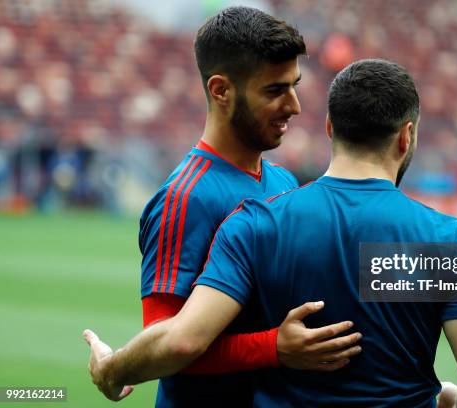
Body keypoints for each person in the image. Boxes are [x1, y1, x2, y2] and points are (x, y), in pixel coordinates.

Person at [85, 59, 457, 407]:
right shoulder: (445, 239)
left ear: (329, 128)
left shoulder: (253, 224)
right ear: (406, 135)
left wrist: (112, 369)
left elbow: (181, 339)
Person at [135, 6, 361, 407]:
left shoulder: (284, 182)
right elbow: (165, 349)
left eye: (294, 86)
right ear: (221, 90)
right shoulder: (184, 198)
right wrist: (272, 346)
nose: (294, 106)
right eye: (275, 91)